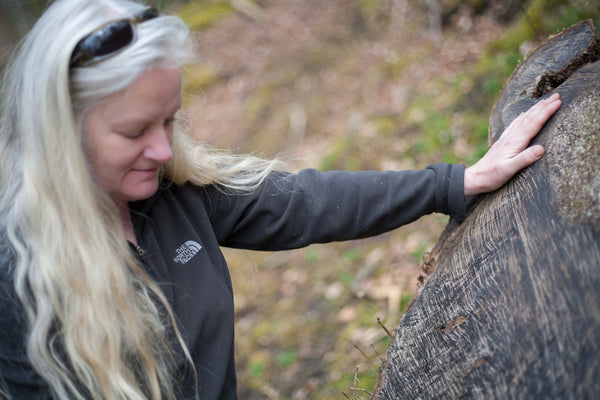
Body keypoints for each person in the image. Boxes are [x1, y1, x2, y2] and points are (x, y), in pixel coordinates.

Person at [0, 0, 561, 399]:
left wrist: (456, 182)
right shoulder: (18, 276)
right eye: (132, 131)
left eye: (169, 120)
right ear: (59, 133)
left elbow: (303, 202)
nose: (162, 146)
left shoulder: (171, 194)